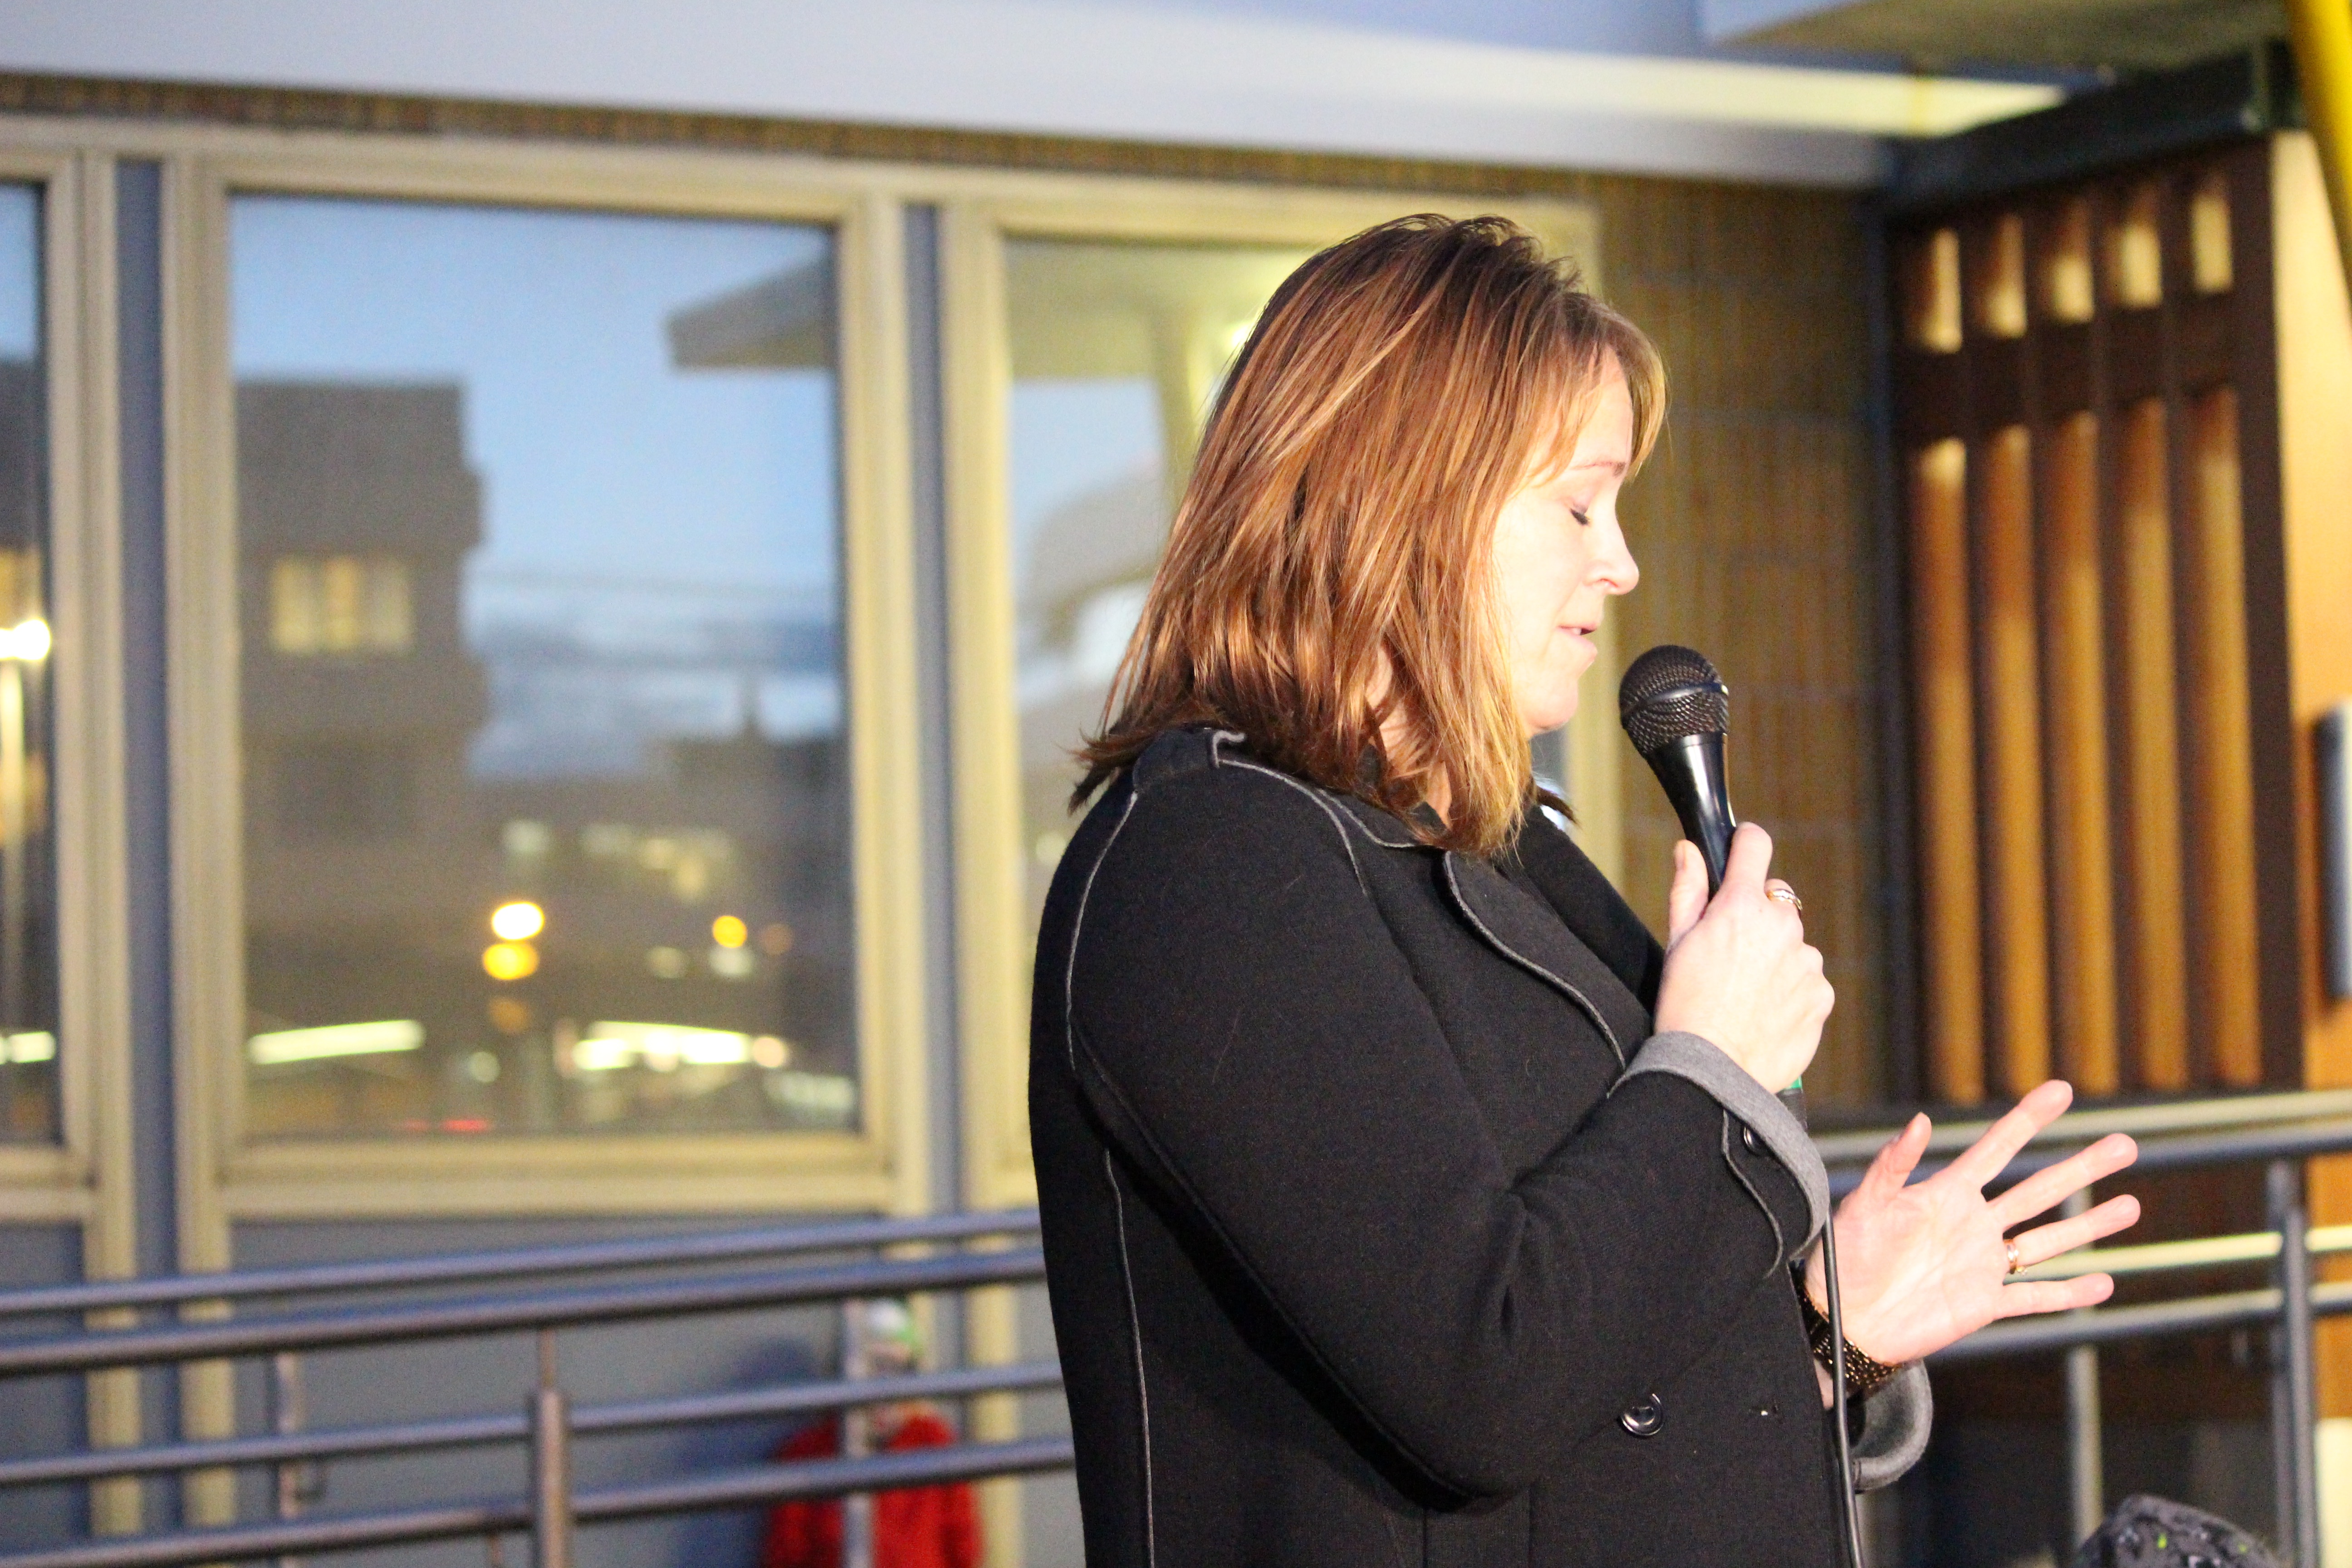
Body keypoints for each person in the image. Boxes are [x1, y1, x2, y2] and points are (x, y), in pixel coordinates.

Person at [1028, 215, 2143, 1567]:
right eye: (1577, 503)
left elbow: (1589, 1388)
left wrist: (1825, 1335)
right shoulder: (1212, 865)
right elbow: (1481, 1376)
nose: (1619, 562)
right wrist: (1708, 1064)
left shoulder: (1493, 848)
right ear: (1406, 498)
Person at [761, 1300, 981, 1568]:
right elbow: (785, 1557)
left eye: (897, 1369)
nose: (883, 1388)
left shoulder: (935, 1444)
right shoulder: (806, 1455)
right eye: (872, 1368)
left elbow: (965, 1551)